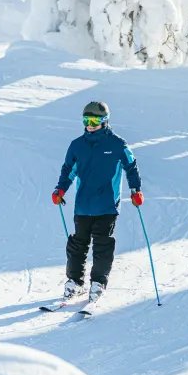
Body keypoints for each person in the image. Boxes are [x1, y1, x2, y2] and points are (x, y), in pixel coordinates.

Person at [52, 100, 143, 304]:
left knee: (102, 245)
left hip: (107, 205)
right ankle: (75, 282)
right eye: (86, 120)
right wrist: (60, 189)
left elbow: (131, 166)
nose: (90, 124)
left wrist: (136, 190)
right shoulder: (77, 145)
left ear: (105, 120)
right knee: (77, 245)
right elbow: (68, 170)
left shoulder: (118, 144)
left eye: (94, 119)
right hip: (83, 205)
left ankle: (98, 282)